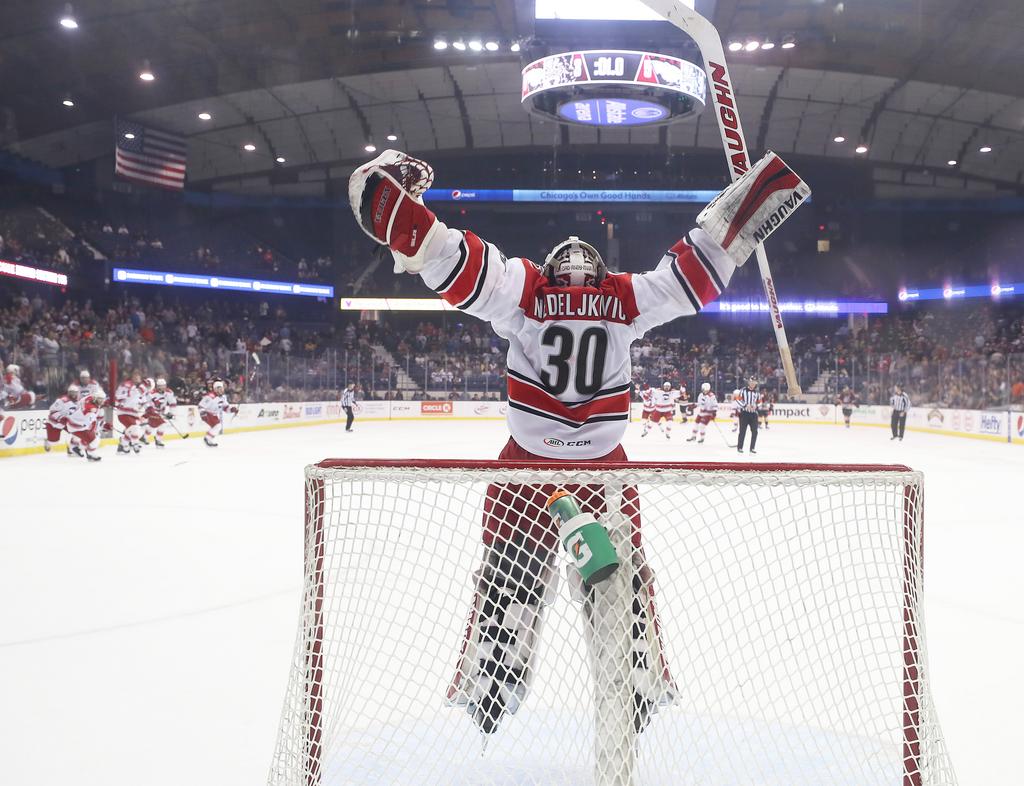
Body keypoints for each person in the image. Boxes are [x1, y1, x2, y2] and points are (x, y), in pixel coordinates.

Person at [349, 147, 809, 735]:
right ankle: (638, 677)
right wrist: (742, 214)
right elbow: (695, 276)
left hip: (525, 470)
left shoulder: (525, 291)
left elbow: (447, 261)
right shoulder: (625, 297)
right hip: (603, 471)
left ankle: (492, 683)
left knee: (506, 575)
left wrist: (403, 212)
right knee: (624, 579)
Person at [114, 369, 146, 454]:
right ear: (131, 376)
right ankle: (135, 444)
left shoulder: (140, 388)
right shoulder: (126, 385)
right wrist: (128, 395)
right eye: (135, 375)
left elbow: (142, 401)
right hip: (124, 412)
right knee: (134, 428)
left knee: (134, 430)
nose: (136, 377)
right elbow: (118, 396)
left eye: (138, 375)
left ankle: (122, 445)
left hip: (133, 413)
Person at [198, 380, 237, 447]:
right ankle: (207, 438)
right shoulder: (210, 396)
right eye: (219, 388)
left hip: (214, 415)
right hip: (208, 413)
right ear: (215, 389)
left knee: (217, 427)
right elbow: (201, 406)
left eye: (222, 388)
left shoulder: (223, 397)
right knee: (218, 426)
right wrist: (203, 414)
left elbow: (225, 408)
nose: (221, 390)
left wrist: (232, 409)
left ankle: (208, 439)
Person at [45, 384, 80, 454]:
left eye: (75, 393)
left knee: (79, 431)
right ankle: (48, 442)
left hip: (67, 423)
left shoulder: (79, 402)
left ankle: (71, 449)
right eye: (72, 392)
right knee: (54, 443)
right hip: (55, 423)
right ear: (68, 393)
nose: (73, 394)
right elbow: (52, 410)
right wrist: (61, 418)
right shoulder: (62, 400)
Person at [144, 378, 177, 447]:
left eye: (163, 385)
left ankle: (144, 437)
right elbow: (146, 402)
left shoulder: (169, 392)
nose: (162, 387)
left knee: (152, 426)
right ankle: (158, 440)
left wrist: (171, 413)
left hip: (161, 412)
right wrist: (150, 409)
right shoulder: (152, 393)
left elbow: (172, 403)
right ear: (157, 386)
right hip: (152, 412)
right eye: (160, 386)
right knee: (163, 424)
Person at [736, 377, 761, 454]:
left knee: (755, 432)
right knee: (742, 431)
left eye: (754, 383)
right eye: (751, 382)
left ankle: (752, 448)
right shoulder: (743, 390)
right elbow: (737, 399)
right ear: (749, 383)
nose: (753, 384)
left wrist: (756, 406)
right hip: (744, 414)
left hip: (753, 414)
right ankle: (740, 447)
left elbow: (760, 402)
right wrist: (745, 405)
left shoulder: (757, 392)